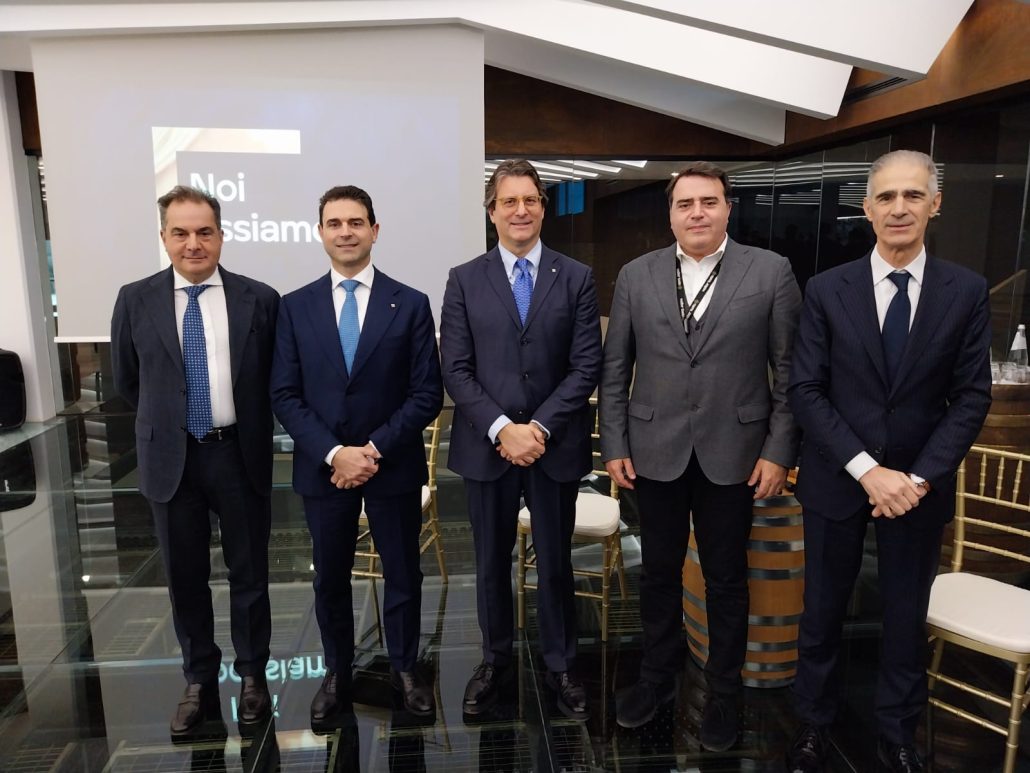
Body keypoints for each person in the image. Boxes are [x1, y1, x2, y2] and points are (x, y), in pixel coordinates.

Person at [785, 150, 992, 773]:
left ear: (935, 204)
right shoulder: (827, 289)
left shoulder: (966, 291)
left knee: (905, 616)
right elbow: (807, 390)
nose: (899, 208)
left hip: (918, 489)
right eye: (886, 197)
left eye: (912, 195)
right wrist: (866, 469)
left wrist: (918, 478)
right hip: (839, 478)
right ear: (867, 209)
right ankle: (813, 724)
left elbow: (971, 396)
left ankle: (898, 732)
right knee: (821, 610)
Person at [599, 162, 801, 748]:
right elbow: (615, 369)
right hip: (653, 449)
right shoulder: (637, 275)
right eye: (685, 203)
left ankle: (723, 693)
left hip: (735, 453)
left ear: (728, 208)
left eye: (708, 201)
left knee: (727, 579)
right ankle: (656, 677)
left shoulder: (770, 272)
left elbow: (790, 372)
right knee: (658, 573)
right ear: (670, 214)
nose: (697, 213)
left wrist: (778, 451)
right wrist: (614, 443)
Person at [270, 185, 443, 724]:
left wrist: (368, 450)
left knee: (403, 573)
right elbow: (284, 394)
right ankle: (336, 672)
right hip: (324, 470)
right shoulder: (294, 307)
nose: (345, 231)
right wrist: (334, 453)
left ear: (374, 229)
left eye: (356, 222)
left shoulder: (409, 303)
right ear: (320, 232)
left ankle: (406, 668)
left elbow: (426, 394)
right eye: (335, 222)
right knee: (330, 578)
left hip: (391, 465)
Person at [111, 185, 279, 736]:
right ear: (164, 237)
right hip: (172, 458)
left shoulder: (260, 299)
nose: (193, 244)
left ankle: (252, 676)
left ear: (222, 235)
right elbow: (128, 381)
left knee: (249, 573)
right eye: (180, 233)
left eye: (205, 232)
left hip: (238, 455)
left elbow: (273, 378)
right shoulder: (134, 299)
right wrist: (171, 423)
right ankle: (199, 679)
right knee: (185, 577)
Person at [440, 159, 602, 720]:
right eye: (508, 201)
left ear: (543, 208)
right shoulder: (464, 278)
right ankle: (494, 661)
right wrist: (502, 428)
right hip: (487, 447)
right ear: (492, 212)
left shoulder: (576, 277)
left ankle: (561, 665)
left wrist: (537, 428)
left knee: (555, 562)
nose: (520, 210)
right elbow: (455, 368)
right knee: (490, 563)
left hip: (553, 446)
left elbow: (586, 365)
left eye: (530, 199)